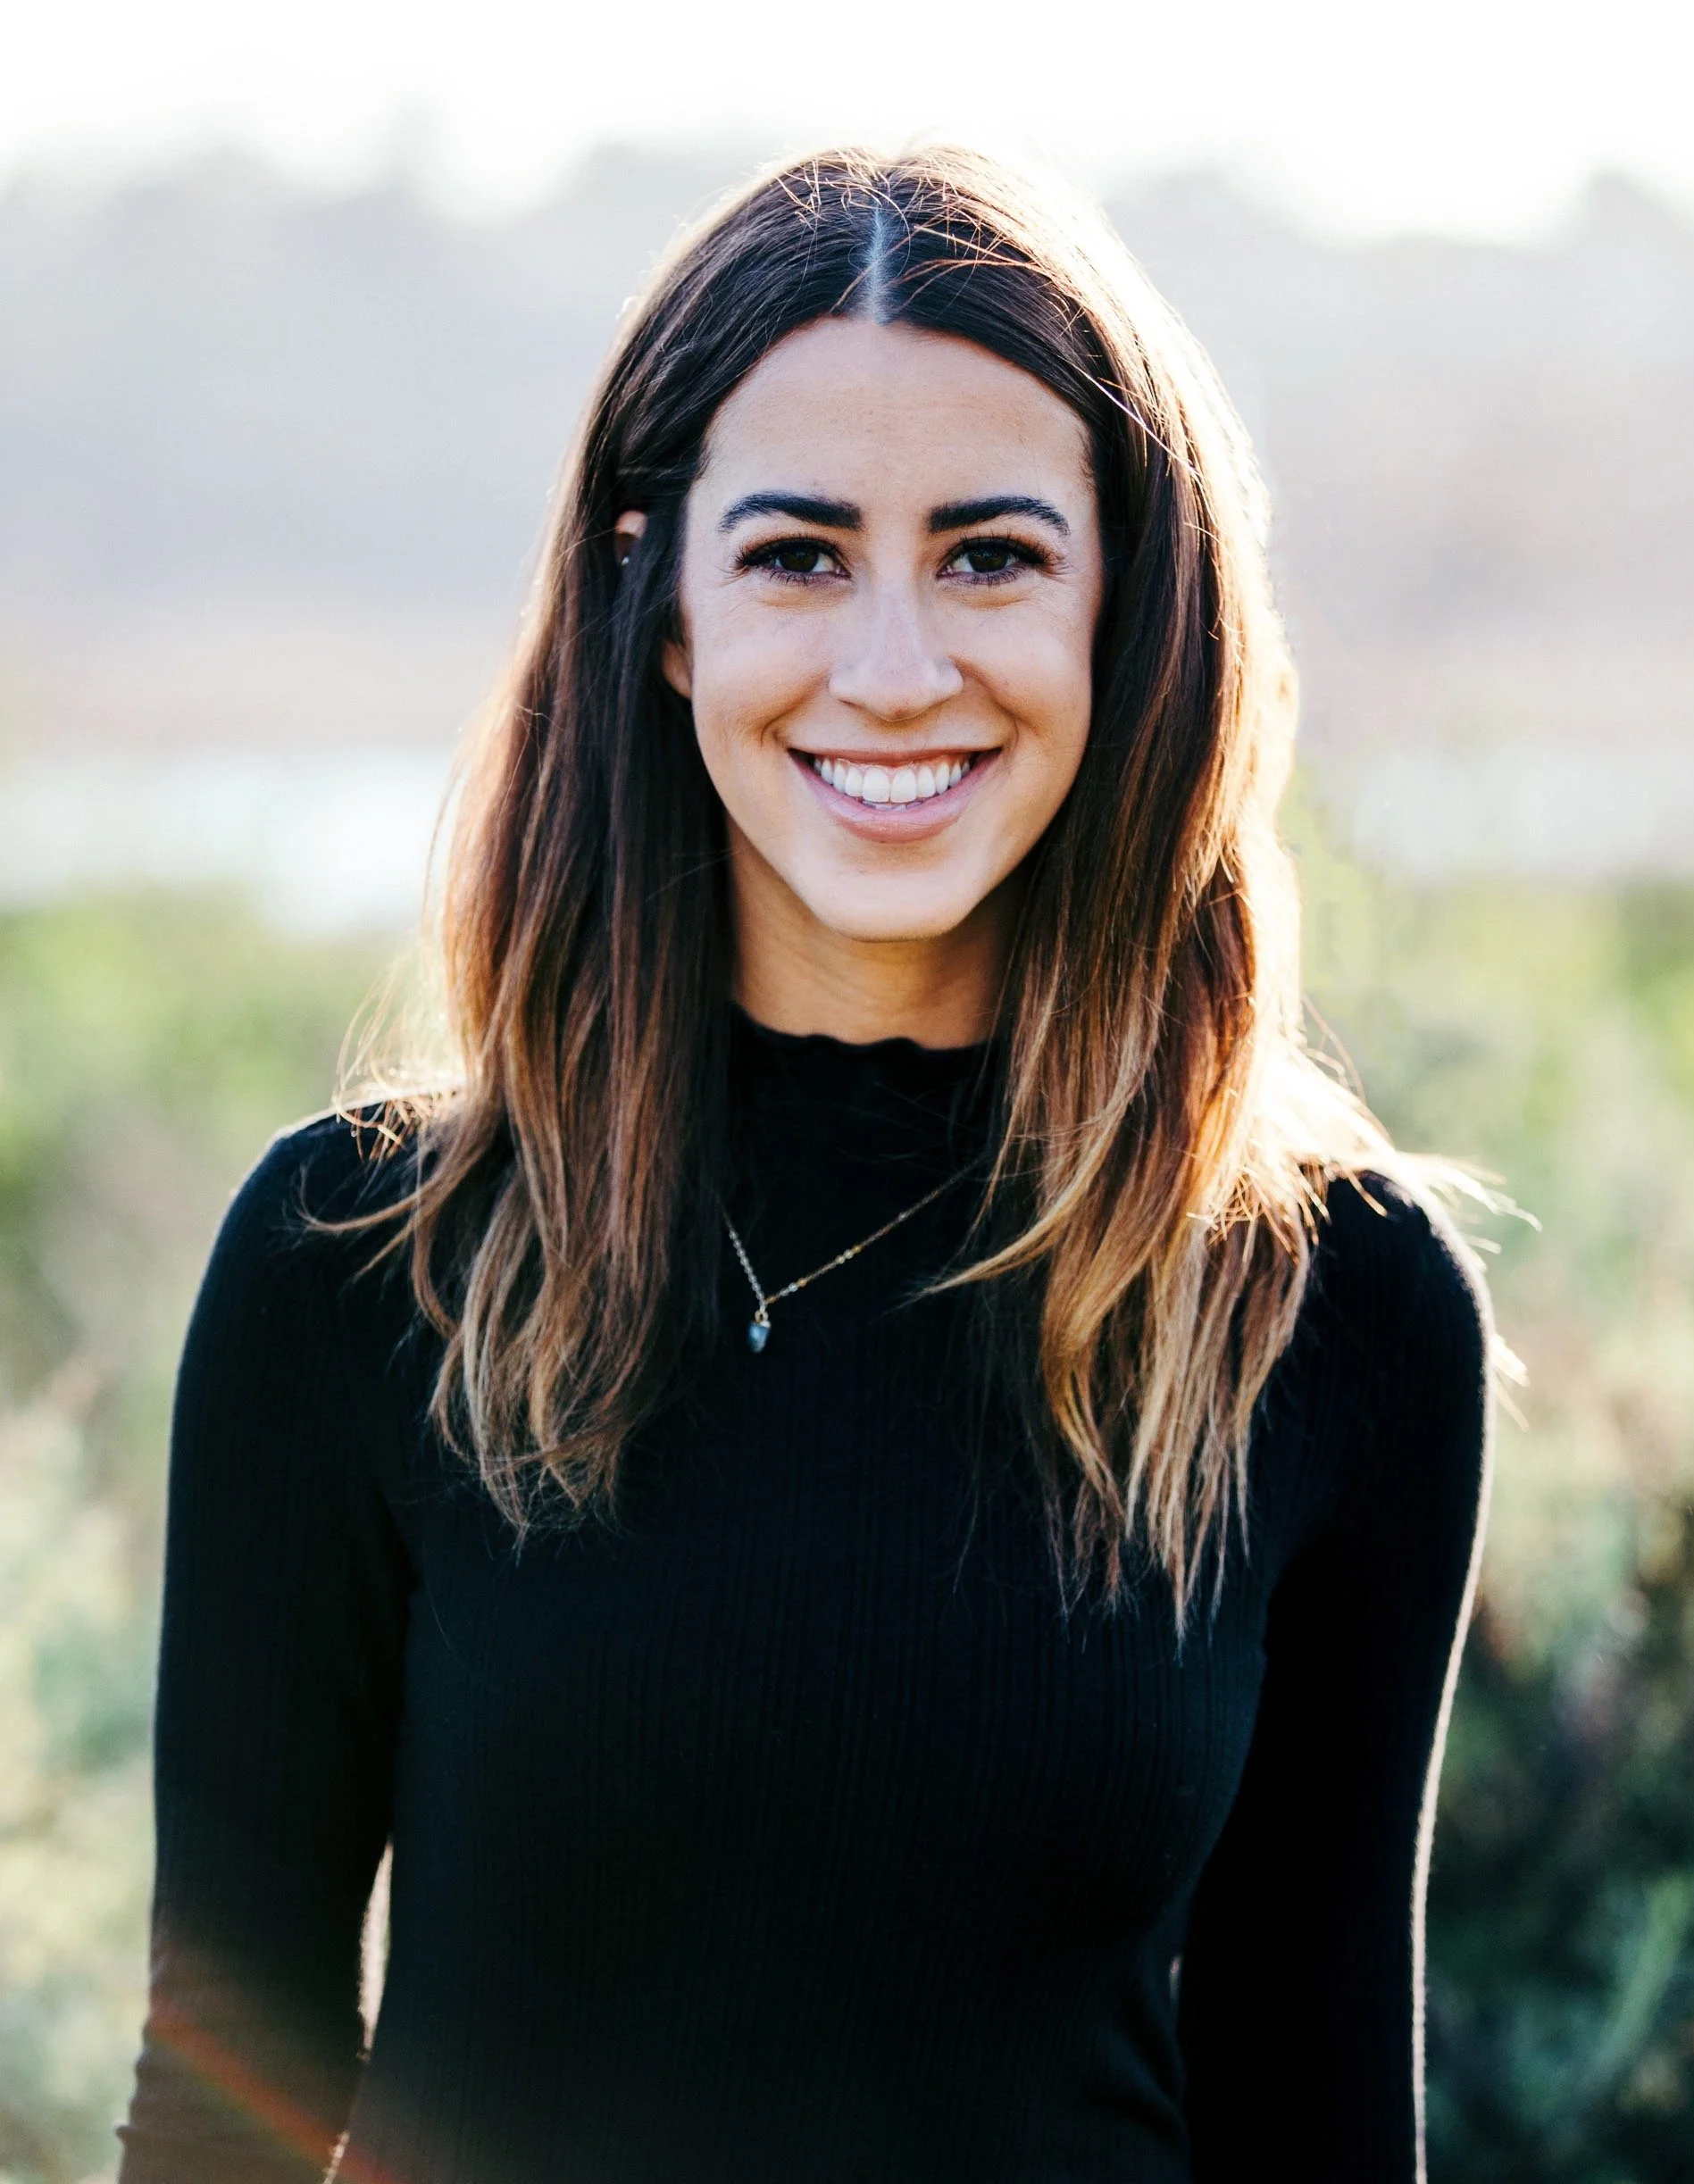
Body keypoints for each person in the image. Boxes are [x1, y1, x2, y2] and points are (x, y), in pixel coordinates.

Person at [119, 145, 1492, 2184]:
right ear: (659, 607)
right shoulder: (361, 1265)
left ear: (1131, 612)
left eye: (990, 555)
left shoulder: (1328, 1303)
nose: (892, 670)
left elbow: (1312, 2123)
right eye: (799, 555)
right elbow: (224, 2113)